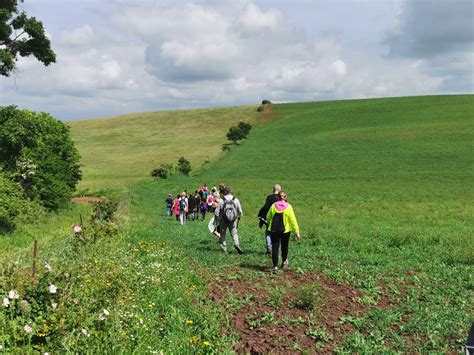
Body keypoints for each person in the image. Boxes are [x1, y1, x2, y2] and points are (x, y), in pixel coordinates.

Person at [266, 191, 300, 273]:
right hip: (286, 230)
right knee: (284, 246)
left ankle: (275, 267)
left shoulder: (273, 206)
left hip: (274, 230)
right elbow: (293, 220)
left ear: (278, 197)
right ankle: (284, 261)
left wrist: (269, 222)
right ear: (285, 197)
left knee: (275, 248)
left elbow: (268, 217)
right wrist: (297, 232)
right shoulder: (289, 207)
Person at [215, 186, 243, 254]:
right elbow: (240, 211)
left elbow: (216, 212)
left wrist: (217, 219)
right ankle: (236, 244)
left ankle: (224, 248)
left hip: (223, 220)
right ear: (231, 191)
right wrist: (239, 216)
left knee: (223, 234)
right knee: (234, 233)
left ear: (225, 192)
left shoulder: (222, 200)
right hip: (233, 220)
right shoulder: (236, 199)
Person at [258, 184, 282, 256]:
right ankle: (278, 252)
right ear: (280, 190)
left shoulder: (269, 197)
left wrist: (261, 217)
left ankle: (269, 247)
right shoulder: (281, 197)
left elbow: (265, 207)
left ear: (273, 189)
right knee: (278, 235)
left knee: (268, 233)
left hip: (270, 219)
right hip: (279, 220)